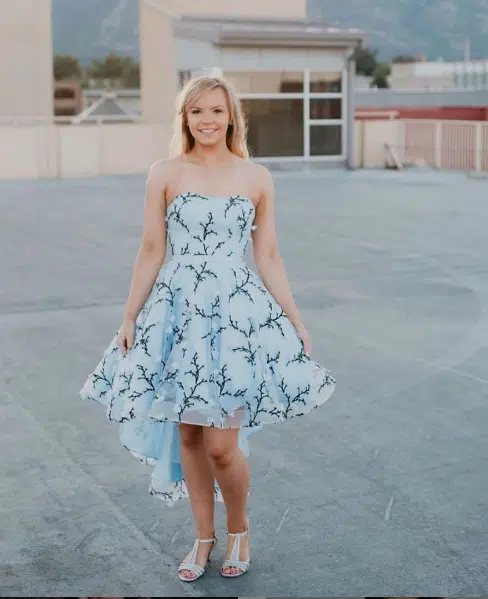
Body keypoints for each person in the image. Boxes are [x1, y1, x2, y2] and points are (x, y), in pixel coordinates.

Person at [80, 74, 336, 582]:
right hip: (176, 313)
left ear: (232, 117)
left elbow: (267, 254)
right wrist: (130, 315)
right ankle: (203, 538)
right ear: (185, 118)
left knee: (222, 443)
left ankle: (239, 529)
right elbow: (152, 248)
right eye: (197, 111)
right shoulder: (165, 172)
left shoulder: (257, 176)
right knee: (189, 435)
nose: (208, 120)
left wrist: (295, 317)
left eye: (217, 111)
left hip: (236, 318)